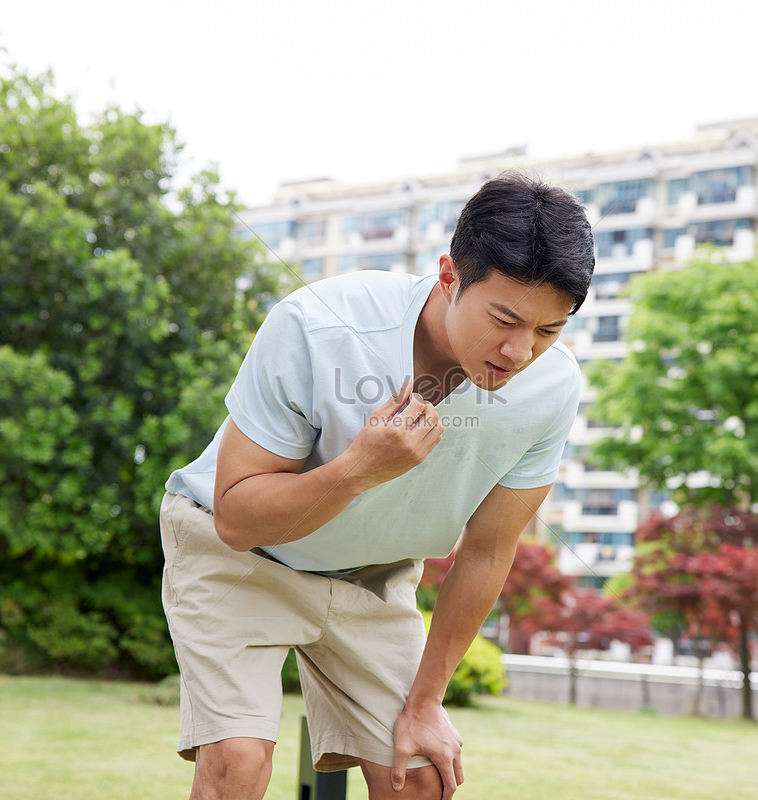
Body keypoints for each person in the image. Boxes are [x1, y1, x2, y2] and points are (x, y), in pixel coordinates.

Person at [159, 172, 595, 800]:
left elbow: (488, 549)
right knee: (238, 763)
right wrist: (356, 470)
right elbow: (235, 518)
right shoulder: (320, 324)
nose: (520, 350)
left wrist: (426, 702)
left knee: (420, 776)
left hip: (373, 574)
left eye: (548, 330)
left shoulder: (552, 386)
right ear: (450, 277)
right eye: (504, 318)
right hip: (240, 558)